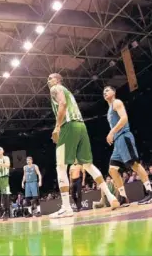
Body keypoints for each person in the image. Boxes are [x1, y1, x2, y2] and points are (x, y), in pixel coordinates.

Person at [47, 73, 119, 218]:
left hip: (68, 126)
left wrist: (57, 127)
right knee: (88, 165)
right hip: (81, 126)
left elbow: (62, 104)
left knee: (60, 166)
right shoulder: (68, 92)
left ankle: (66, 208)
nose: (48, 81)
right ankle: (111, 197)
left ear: (58, 80)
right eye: (48, 79)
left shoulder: (56, 88)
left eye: (51, 78)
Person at [103, 86, 152, 205]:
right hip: (117, 142)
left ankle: (150, 192)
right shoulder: (108, 110)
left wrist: (111, 132)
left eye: (107, 90)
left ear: (114, 92)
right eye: (103, 92)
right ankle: (123, 197)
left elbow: (124, 119)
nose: (105, 92)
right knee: (112, 170)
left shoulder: (116, 102)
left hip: (124, 137)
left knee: (135, 165)